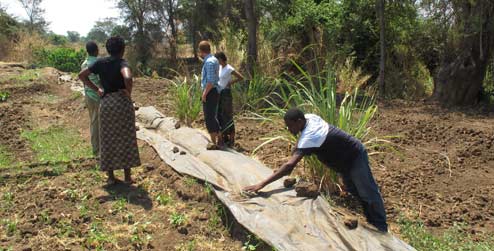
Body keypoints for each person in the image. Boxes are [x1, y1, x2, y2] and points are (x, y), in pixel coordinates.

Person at [243, 108, 388, 232]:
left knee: (367, 192)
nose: (288, 129)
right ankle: (372, 221)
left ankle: (381, 229)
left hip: (354, 157)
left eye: (289, 126)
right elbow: (299, 146)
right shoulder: (309, 118)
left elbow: (289, 167)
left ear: (299, 122)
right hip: (345, 161)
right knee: (355, 190)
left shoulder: (310, 137)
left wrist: (261, 184)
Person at [78, 36, 141, 185]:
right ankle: (127, 177)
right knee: (126, 137)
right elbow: (128, 76)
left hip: (106, 103)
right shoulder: (122, 63)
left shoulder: (100, 63)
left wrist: (97, 89)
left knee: (107, 138)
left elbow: (82, 76)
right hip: (122, 103)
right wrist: (128, 91)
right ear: (123, 49)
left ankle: (111, 177)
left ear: (107, 49)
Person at [214, 52, 244, 147]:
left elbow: (240, 77)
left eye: (217, 59)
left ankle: (231, 139)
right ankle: (224, 137)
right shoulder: (219, 68)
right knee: (220, 115)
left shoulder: (229, 68)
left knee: (228, 116)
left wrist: (230, 83)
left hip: (226, 94)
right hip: (220, 93)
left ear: (221, 59)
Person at [198, 41, 222, 149]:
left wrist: (204, 94)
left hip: (210, 91)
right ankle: (219, 140)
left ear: (201, 51)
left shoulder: (209, 62)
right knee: (213, 115)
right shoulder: (214, 60)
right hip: (213, 91)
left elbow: (211, 81)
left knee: (209, 117)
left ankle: (214, 143)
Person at [81, 41, 102, 157]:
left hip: (88, 96)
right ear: (96, 50)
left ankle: (96, 148)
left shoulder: (84, 63)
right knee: (97, 123)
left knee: (93, 121)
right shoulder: (97, 63)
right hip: (98, 96)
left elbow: (84, 81)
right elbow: (101, 80)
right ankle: (97, 150)